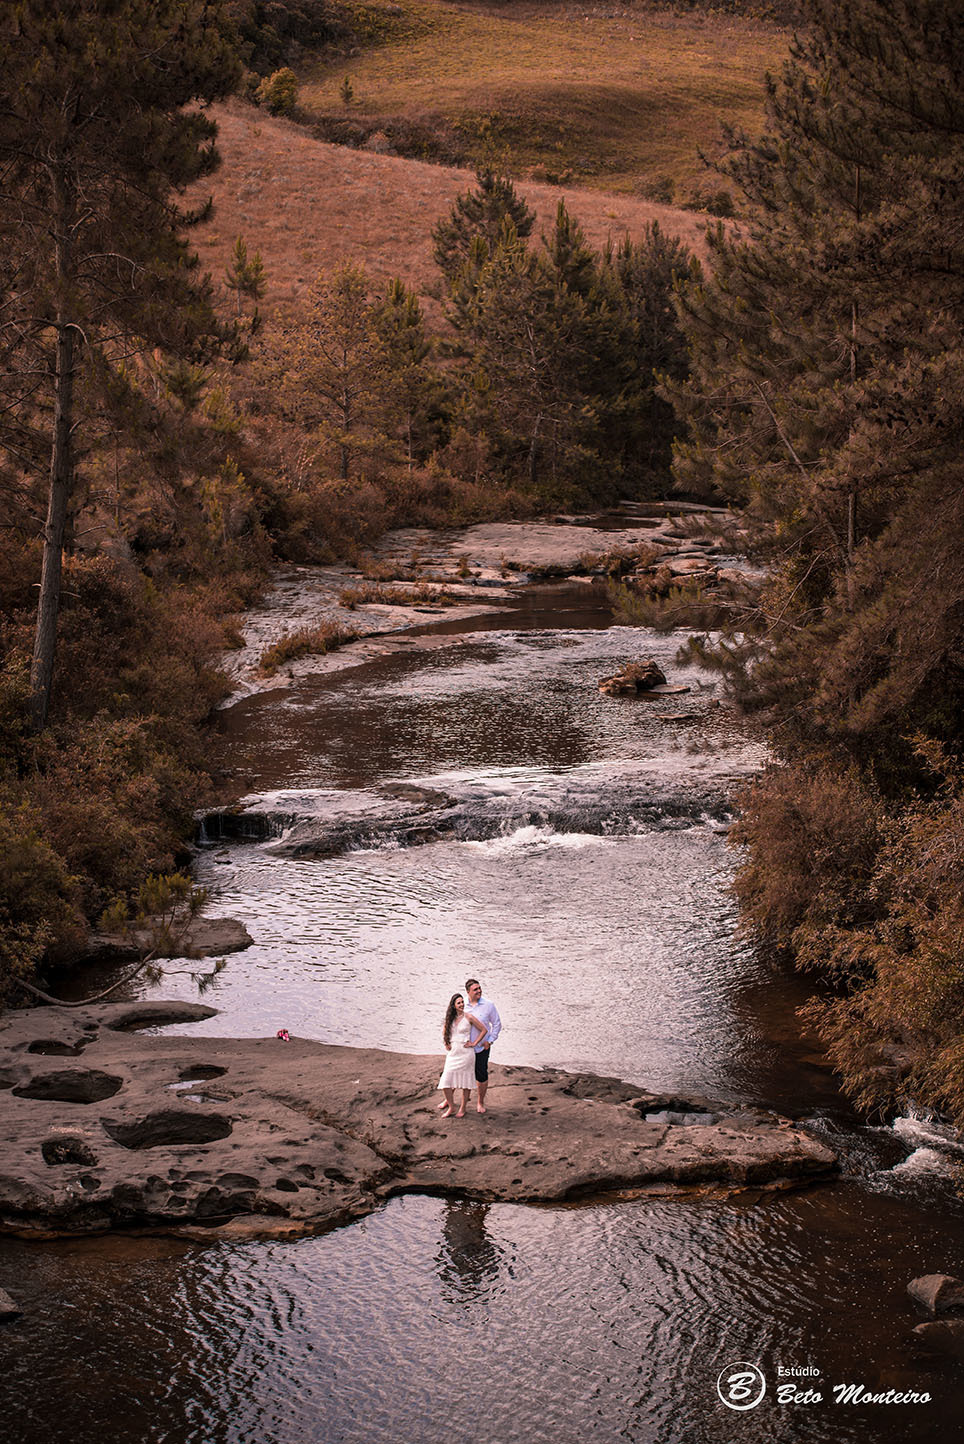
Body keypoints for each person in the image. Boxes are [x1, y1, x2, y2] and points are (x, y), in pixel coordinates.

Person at [438, 992, 488, 1119]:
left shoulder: (469, 1017)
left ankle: (463, 1107)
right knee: (446, 1081)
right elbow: (445, 1032)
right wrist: (446, 1043)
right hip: (453, 1052)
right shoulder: (449, 1019)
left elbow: (483, 1030)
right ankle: (451, 1106)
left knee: (466, 1083)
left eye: (462, 1002)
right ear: (453, 1005)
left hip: (466, 1053)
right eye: (458, 1003)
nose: (461, 1005)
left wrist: (474, 1043)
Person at [465, 977, 501, 1114]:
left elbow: (497, 1024)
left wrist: (490, 1040)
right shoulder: (463, 1005)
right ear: (468, 991)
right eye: (475, 989)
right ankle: (450, 1100)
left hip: (481, 1047)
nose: (479, 991)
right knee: (458, 1072)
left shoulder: (488, 1005)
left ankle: (480, 1102)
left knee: (481, 1075)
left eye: (479, 988)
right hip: (465, 1047)